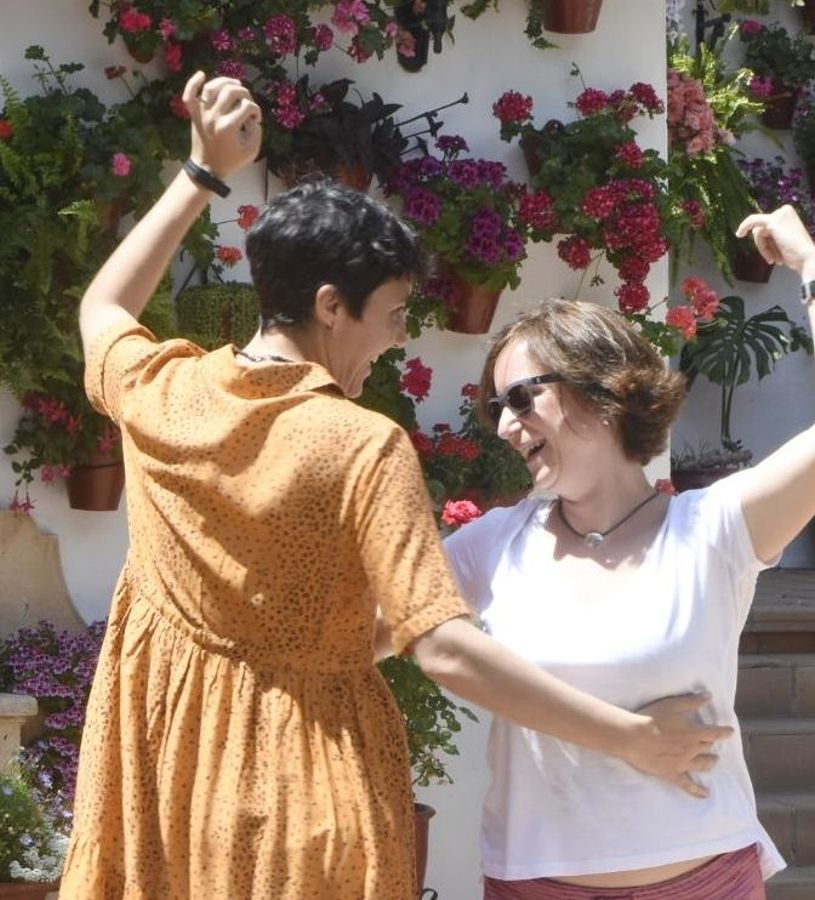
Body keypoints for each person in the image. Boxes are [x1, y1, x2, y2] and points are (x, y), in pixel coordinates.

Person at [62, 72, 731, 900]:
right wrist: (629, 737)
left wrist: (201, 171)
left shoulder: (162, 394)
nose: (396, 338)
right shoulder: (361, 445)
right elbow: (440, 645)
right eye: (392, 314)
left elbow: (102, 308)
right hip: (309, 796)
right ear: (330, 307)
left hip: (168, 782)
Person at [442, 203, 815, 900]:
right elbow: (369, 633)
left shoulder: (714, 530)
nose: (505, 427)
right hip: (534, 885)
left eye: (521, 399)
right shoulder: (488, 546)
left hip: (703, 879)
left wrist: (814, 268)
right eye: (496, 409)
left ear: (600, 390)